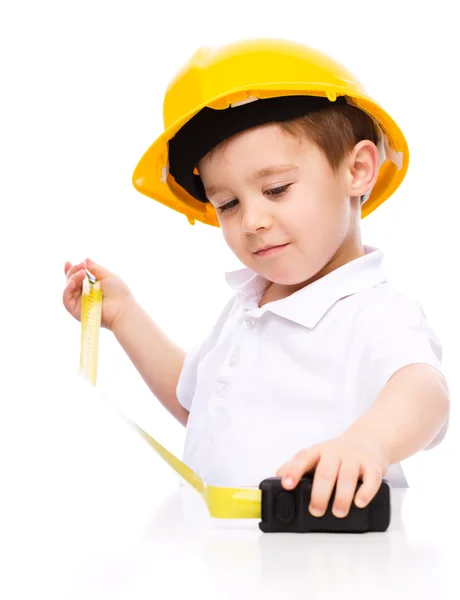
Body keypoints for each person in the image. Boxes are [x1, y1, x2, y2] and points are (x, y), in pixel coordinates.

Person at [63, 38, 449, 520]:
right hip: (223, 565)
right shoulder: (249, 305)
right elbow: (198, 404)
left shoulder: (372, 310)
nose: (251, 221)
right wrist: (124, 317)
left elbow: (424, 391)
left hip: (327, 571)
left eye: (276, 189)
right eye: (228, 203)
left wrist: (369, 442)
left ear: (358, 169)